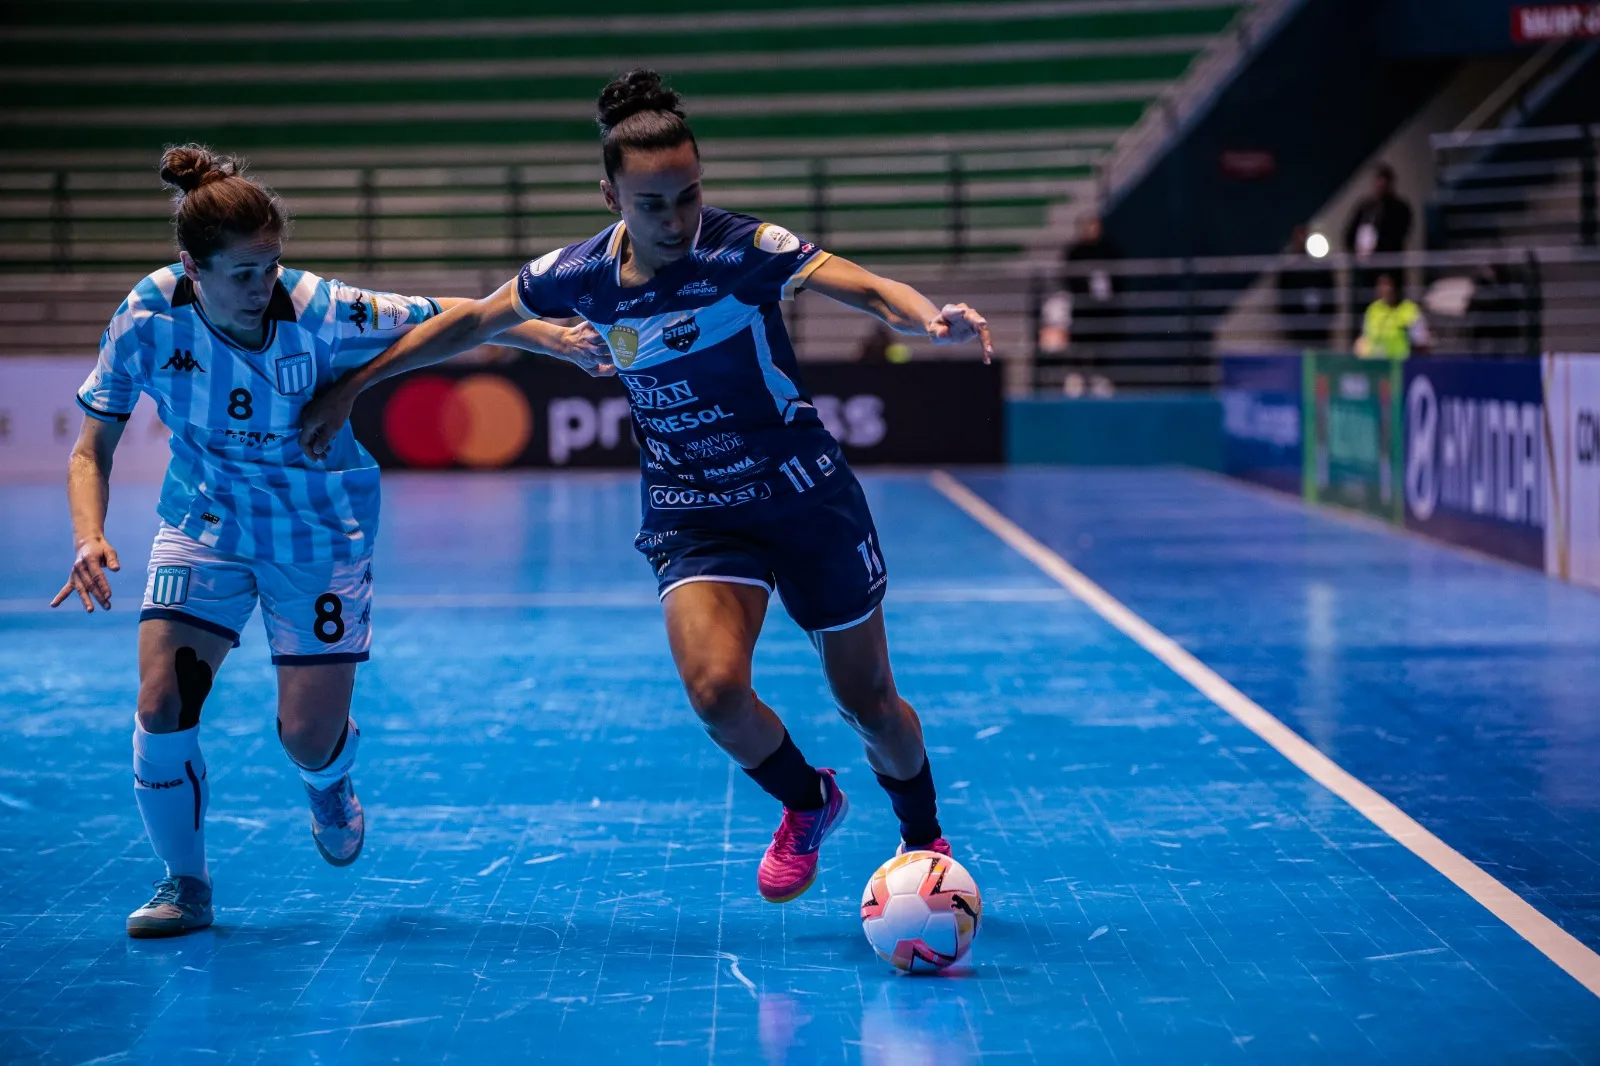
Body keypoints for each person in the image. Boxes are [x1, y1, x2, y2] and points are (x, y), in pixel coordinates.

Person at [300, 70, 993, 905]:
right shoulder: (577, 275)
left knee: (871, 702)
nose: (676, 220)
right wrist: (356, 385)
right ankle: (809, 802)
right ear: (611, 196)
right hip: (693, 508)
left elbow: (867, 287)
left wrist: (927, 317)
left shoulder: (745, 251)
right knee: (715, 694)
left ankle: (925, 841)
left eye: (689, 195)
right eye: (652, 203)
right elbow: (474, 320)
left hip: (804, 497)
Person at [51, 146, 602, 939]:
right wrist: (89, 533)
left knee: (308, 736)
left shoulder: (320, 308)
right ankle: (185, 884)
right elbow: (89, 446)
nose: (260, 286)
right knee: (162, 700)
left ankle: (330, 783)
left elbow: (447, 317)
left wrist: (542, 335)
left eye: (269, 265)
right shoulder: (147, 315)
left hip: (318, 531)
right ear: (190, 268)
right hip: (204, 522)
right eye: (241, 272)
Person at [1356, 273, 1431, 358]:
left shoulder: (1410, 310)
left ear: (1396, 287)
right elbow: (1364, 339)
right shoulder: (1373, 310)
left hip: (1401, 365)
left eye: (1387, 285)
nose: (1383, 289)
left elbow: (1421, 342)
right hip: (1376, 365)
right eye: (1380, 285)